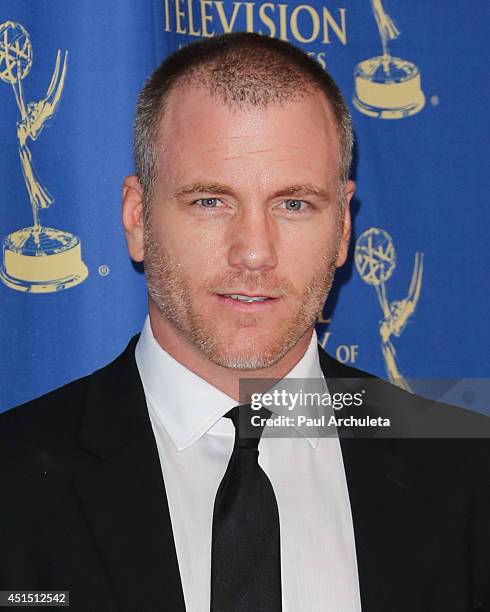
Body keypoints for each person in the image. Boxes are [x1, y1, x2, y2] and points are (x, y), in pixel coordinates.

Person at [1, 33, 489, 612]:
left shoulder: (468, 474)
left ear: (343, 230)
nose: (254, 252)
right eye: (211, 201)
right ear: (137, 218)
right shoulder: (13, 482)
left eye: (294, 203)